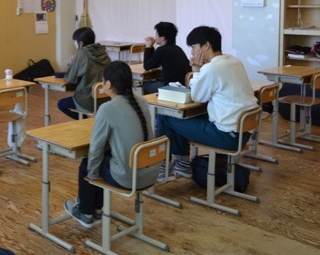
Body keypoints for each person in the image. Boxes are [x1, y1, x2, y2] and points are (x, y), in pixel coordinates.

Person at [64, 61, 157, 228]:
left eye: (102, 80)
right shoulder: (142, 101)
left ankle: (86, 212)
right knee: (102, 160)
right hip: (150, 173)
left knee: (88, 164)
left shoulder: (107, 108)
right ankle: (96, 209)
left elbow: (96, 148)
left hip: (129, 178)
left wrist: (92, 177)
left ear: (108, 84)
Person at [156, 26, 257, 179]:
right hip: (243, 132)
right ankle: (182, 164)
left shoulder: (211, 68)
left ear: (206, 45)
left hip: (226, 137)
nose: (192, 53)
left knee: (166, 115)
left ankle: (165, 168)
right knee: (181, 115)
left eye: (193, 47)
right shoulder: (234, 61)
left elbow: (197, 97)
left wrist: (196, 70)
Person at [57, 27, 110, 120]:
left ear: (80, 43)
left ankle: (85, 120)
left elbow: (70, 78)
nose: (74, 44)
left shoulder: (82, 54)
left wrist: (72, 63)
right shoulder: (103, 52)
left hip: (88, 100)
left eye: (75, 42)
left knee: (61, 104)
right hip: (105, 97)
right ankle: (90, 119)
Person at [142, 21, 191, 94]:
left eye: (156, 34)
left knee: (143, 87)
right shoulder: (177, 48)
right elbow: (153, 61)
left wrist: (148, 46)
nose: (155, 37)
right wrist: (151, 47)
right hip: (183, 86)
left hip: (172, 88)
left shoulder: (161, 50)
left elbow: (147, 66)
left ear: (162, 38)